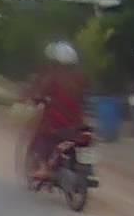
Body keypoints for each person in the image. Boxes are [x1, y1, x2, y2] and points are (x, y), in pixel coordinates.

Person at [25, 41, 88, 182]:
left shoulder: (53, 77)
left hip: (58, 123)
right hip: (78, 124)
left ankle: (44, 168)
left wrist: (36, 99)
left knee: (41, 136)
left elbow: (40, 93)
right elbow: (83, 98)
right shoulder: (81, 78)